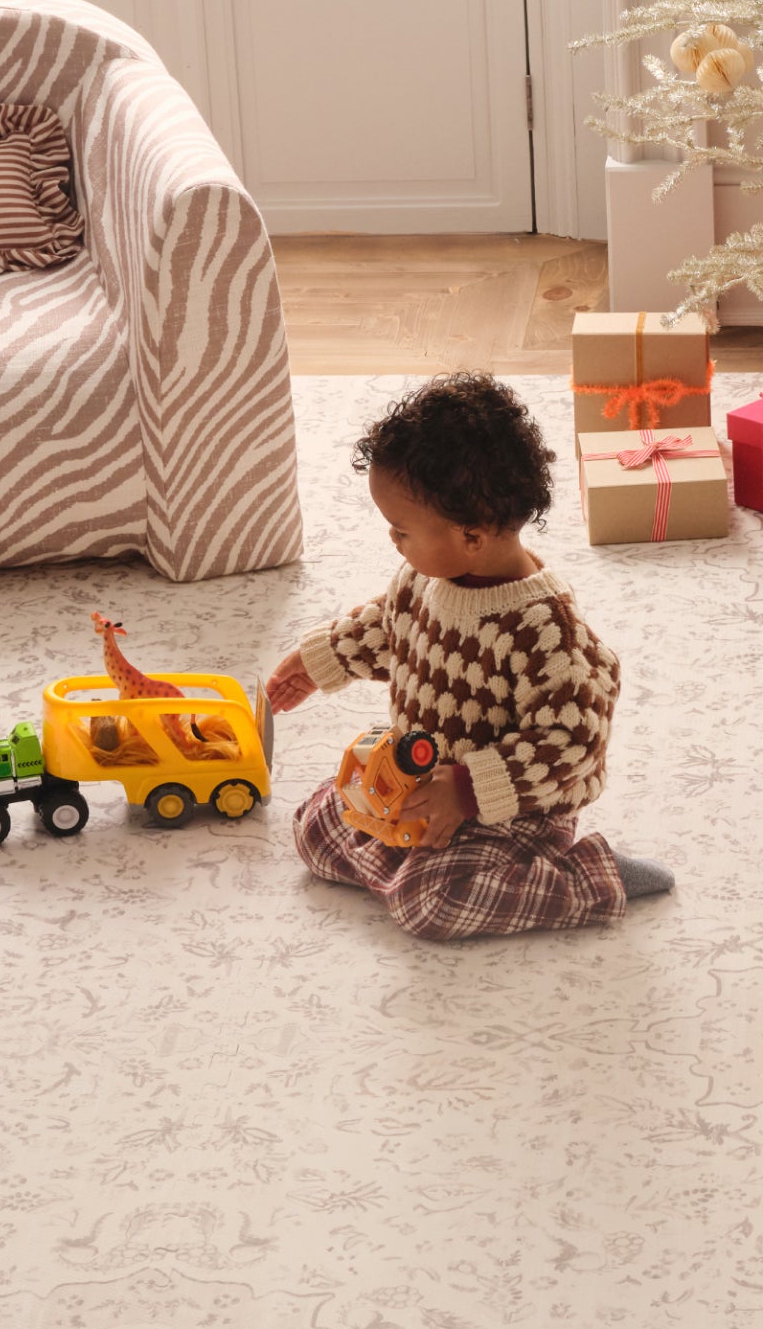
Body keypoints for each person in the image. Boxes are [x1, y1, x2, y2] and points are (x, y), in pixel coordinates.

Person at [265, 373, 673, 940]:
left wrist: (467, 790)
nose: (394, 541)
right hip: (423, 770)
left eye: (401, 530)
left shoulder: (544, 629)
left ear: (473, 538)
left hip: (511, 808)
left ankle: (591, 877)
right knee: (314, 828)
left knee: (430, 904)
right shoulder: (425, 577)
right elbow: (390, 627)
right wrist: (319, 659)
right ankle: (410, 860)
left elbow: (572, 741)